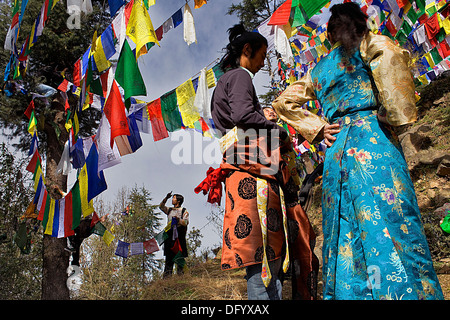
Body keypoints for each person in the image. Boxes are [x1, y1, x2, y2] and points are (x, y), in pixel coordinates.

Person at [272, 3, 443, 300]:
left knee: (345, 230)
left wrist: (318, 128)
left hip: (336, 153)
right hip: (372, 143)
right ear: (360, 23)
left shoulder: (319, 69)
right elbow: (393, 64)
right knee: (393, 218)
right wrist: (393, 116)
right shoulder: (370, 44)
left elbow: (283, 103)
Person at [210, 24, 319, 300]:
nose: (262, 62)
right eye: (261, 55)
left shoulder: (227, 80)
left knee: (269, 258)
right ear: (247, 51)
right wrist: (277, 130)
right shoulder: (241, 76)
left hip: (244, 171)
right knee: (262, 261)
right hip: (252, 174)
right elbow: (245, 115)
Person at [159, 192, 189, 278]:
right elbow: (161, 207)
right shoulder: (169, 210)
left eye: (174, 198)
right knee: (169, 257)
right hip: (169, 235)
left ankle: (181, 277)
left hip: (179, 236)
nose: (172, 200)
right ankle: (167, 278)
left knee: (179, 255)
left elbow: (186, 222)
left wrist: (178, 220)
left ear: (178, 201)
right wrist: (166, 198)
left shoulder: (184, 211)